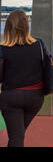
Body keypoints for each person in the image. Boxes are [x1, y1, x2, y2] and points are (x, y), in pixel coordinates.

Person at [0, 9, 45, 147]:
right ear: (27, 26)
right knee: (18, 135)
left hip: (11, 97)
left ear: (8, 27)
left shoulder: (3, 48)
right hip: (35, 97)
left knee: (16, 137)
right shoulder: (39, 44)